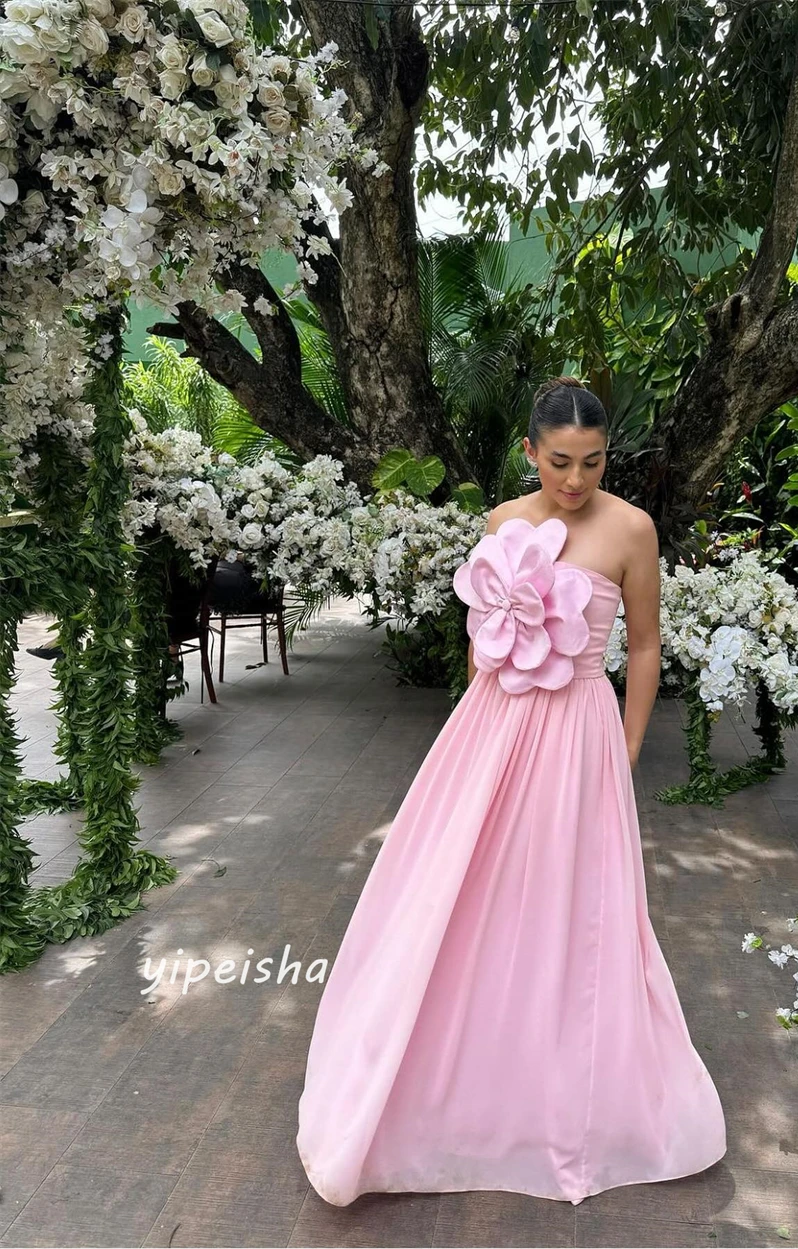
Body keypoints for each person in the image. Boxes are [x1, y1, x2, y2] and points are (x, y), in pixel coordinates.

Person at [296, 375, 727, 1207]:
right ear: (531, 452)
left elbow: (642, 649)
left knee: (572, 899)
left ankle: (564, 1087)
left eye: (593, 463)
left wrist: (627, 746)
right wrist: (473, 729)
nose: (575, 480)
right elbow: (484, 636)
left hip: (579, 736)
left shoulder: (633, 529)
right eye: (560, 462)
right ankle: (459, 1070)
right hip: (494, 727)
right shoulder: (501, 521)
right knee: (471, 889)